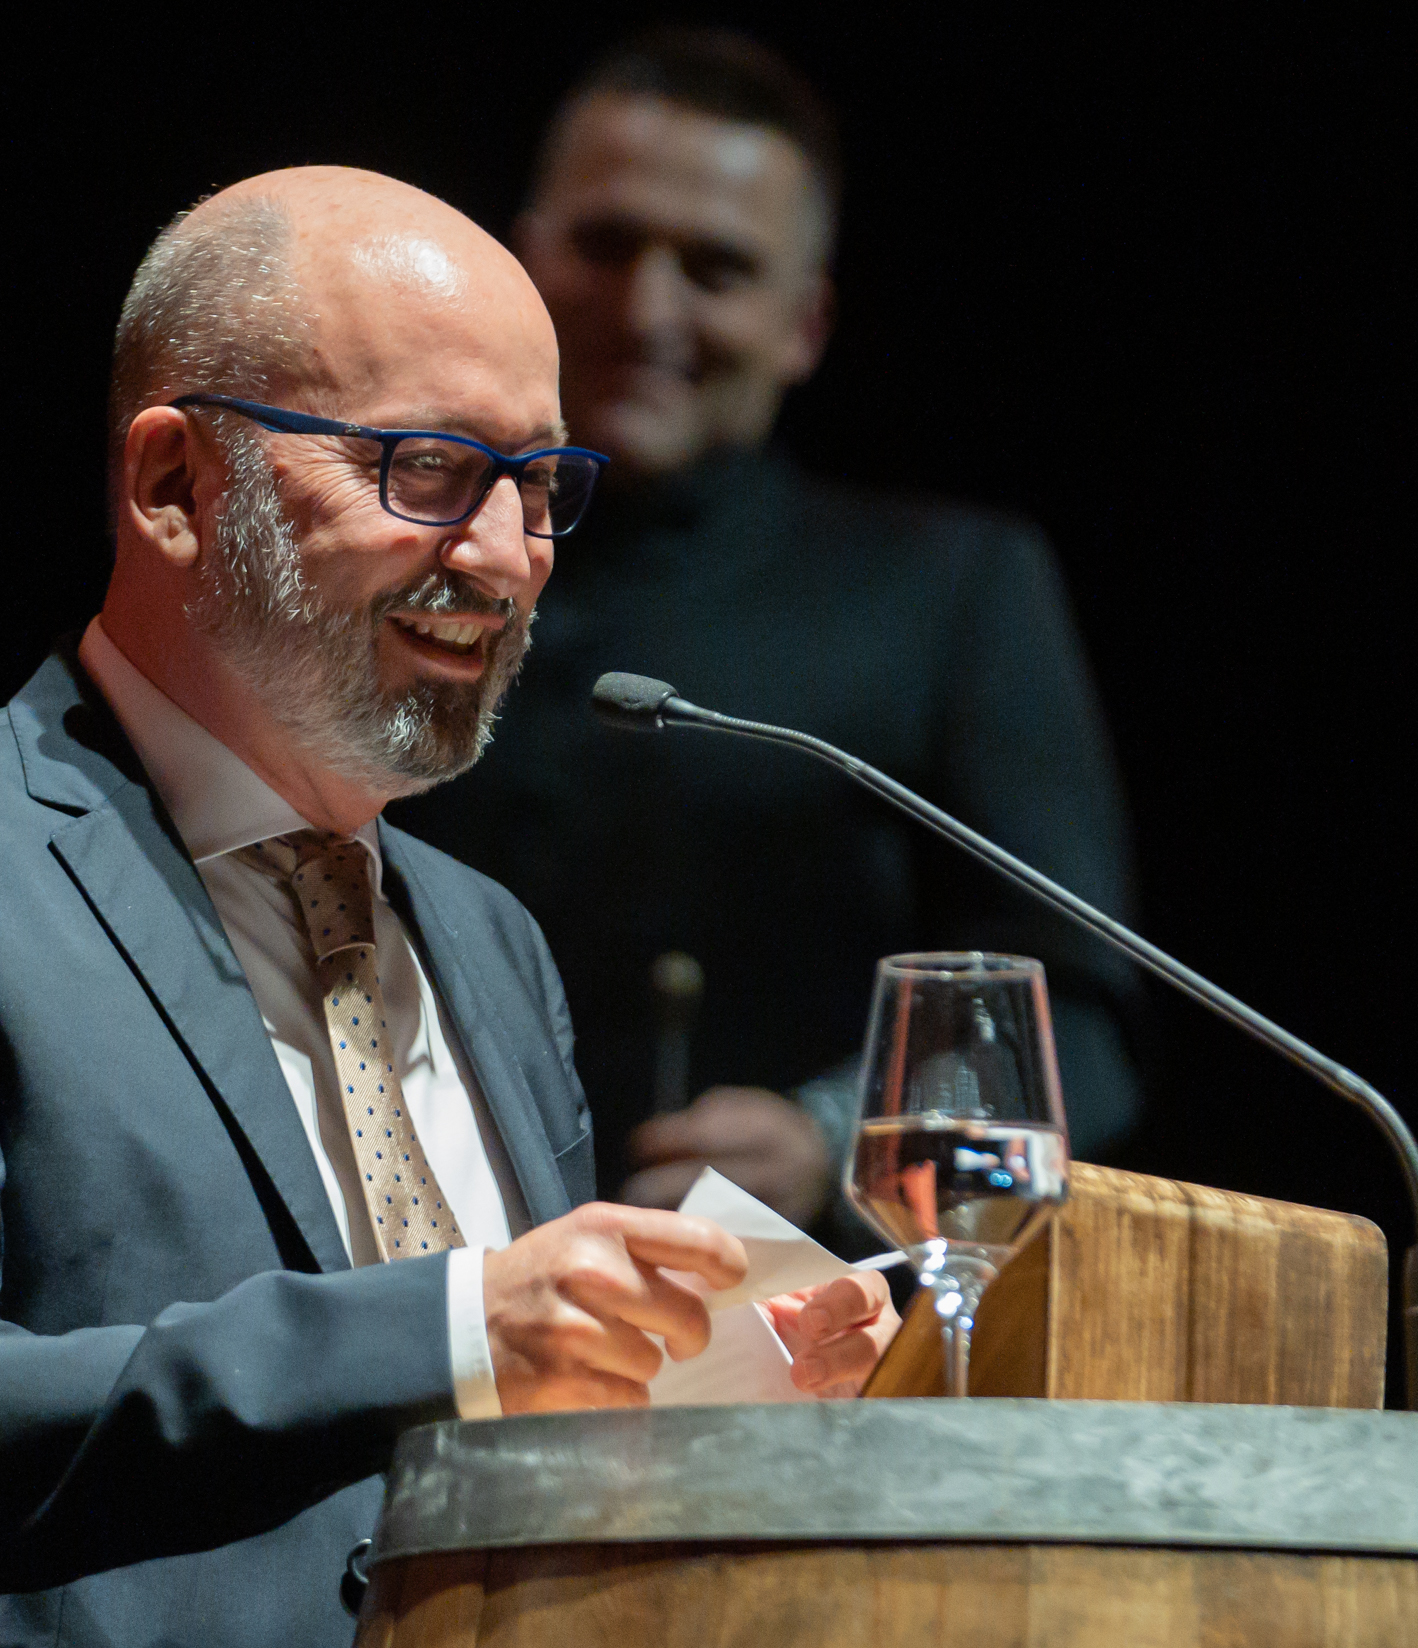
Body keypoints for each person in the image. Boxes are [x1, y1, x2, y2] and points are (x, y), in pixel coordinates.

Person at [0, 166, 896, 1648]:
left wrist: (716, 1402)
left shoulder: (490, 939)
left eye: (538, 484)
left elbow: (513, 1459)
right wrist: (455, 1323)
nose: (502, 555)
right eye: (428, 467)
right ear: (175, 485)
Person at [394, 30, 1145, 1236]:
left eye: (716, 269)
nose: (648, 308)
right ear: (520, 262)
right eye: (605, 244)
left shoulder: (946, 588)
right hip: (398, 1290)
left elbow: (1078, 1028)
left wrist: (840, 1138)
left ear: (803, 322)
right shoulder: (383, 549)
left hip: (770, 1309)